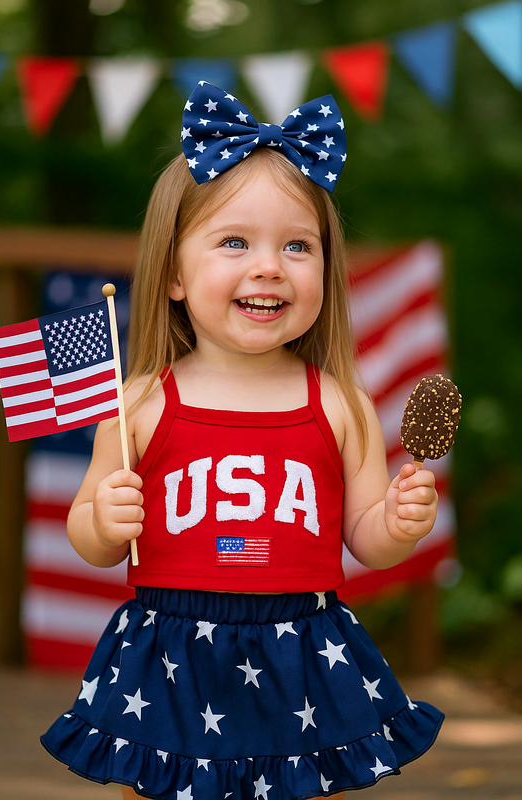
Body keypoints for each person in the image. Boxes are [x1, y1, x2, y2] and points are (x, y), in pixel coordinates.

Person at [41, 83, 444, 800]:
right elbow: (89, 539)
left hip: (303, 649)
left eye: (298, 245)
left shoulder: (337, 402)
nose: (269, 266)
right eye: (234, 242)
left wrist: (396, 523)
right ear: (171, 271)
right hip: (170, 652)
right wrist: (102, 519)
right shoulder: (137, 404)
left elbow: (365, 538)